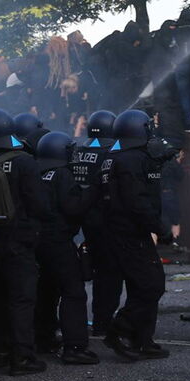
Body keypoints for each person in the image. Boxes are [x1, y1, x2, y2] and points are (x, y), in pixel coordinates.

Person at [0, 108, 49, 375]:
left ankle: (1, 352)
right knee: (21, 299)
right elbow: (40, 205)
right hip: (19, 240)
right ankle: (23, 357)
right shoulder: (24, 161)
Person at [101, 110, 172, 361]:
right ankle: (119, 330)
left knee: (140, 284)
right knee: (151, 285)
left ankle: (142, 339)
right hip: (130, 232)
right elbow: (137, 200)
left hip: (123, 231)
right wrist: (160, 228)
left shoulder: (119, 157)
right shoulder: (131, 160)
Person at [34, 131, 99, 364]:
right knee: (73, 292)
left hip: (37, 241)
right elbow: (72, 208)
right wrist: (92, 191)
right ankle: (74, 347)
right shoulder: (62, 174)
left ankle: (43, 338)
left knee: (46, 290)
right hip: (58, 242)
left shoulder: (37, 172)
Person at [76, 110, 122, 336]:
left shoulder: (80, 149)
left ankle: (97, 318)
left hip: (84, 219)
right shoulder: (110, 151)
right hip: (105, 219)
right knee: (109, 272)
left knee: (96, 269)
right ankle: (103, 321)